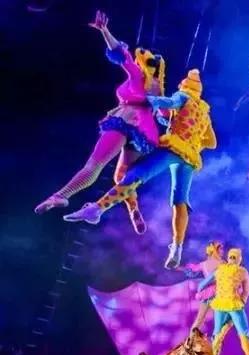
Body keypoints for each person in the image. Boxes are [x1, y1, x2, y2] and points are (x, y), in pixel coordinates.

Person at [65, 68, 217, 269]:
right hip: (190, 158)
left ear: (185, 86)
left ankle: (97, 209)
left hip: (174, 147)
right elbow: (212, 142)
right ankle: (177, 248)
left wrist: (150, 101)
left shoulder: (183, 96)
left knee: (136, 175)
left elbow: (170, 102)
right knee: (179, 201)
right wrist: (194, 141)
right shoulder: (205, 113)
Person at [35, 10, 164, 236]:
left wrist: (104, 30)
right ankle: (133, 209)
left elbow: (121, 54)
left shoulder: (138, 76)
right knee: (122, 177)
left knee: (93, 166)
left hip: (126, 120)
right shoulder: (157, 88)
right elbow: (164, 113)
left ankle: (61, 196)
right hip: (144, 132)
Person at [199, 247, 249, 355]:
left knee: (217, 332)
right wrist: (243, 300)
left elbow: (202, 285)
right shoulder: (242, 271)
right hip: (234, 305)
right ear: (239, 259)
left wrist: (203, 294)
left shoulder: (219, 270)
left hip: (220, 304)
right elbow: (246, 290)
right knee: (243, 333)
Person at [183, 240, 225, 332]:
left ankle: (192, 338)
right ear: (214, 250)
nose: (222, 251)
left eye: (222, 249)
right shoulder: (223, 264)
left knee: (201, 319)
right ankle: (192, 338)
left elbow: (191, 270)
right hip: (218, 293)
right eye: (220, 249)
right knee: (216, 320)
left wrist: (177, 267)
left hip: (209, 293)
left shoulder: (204, 264)